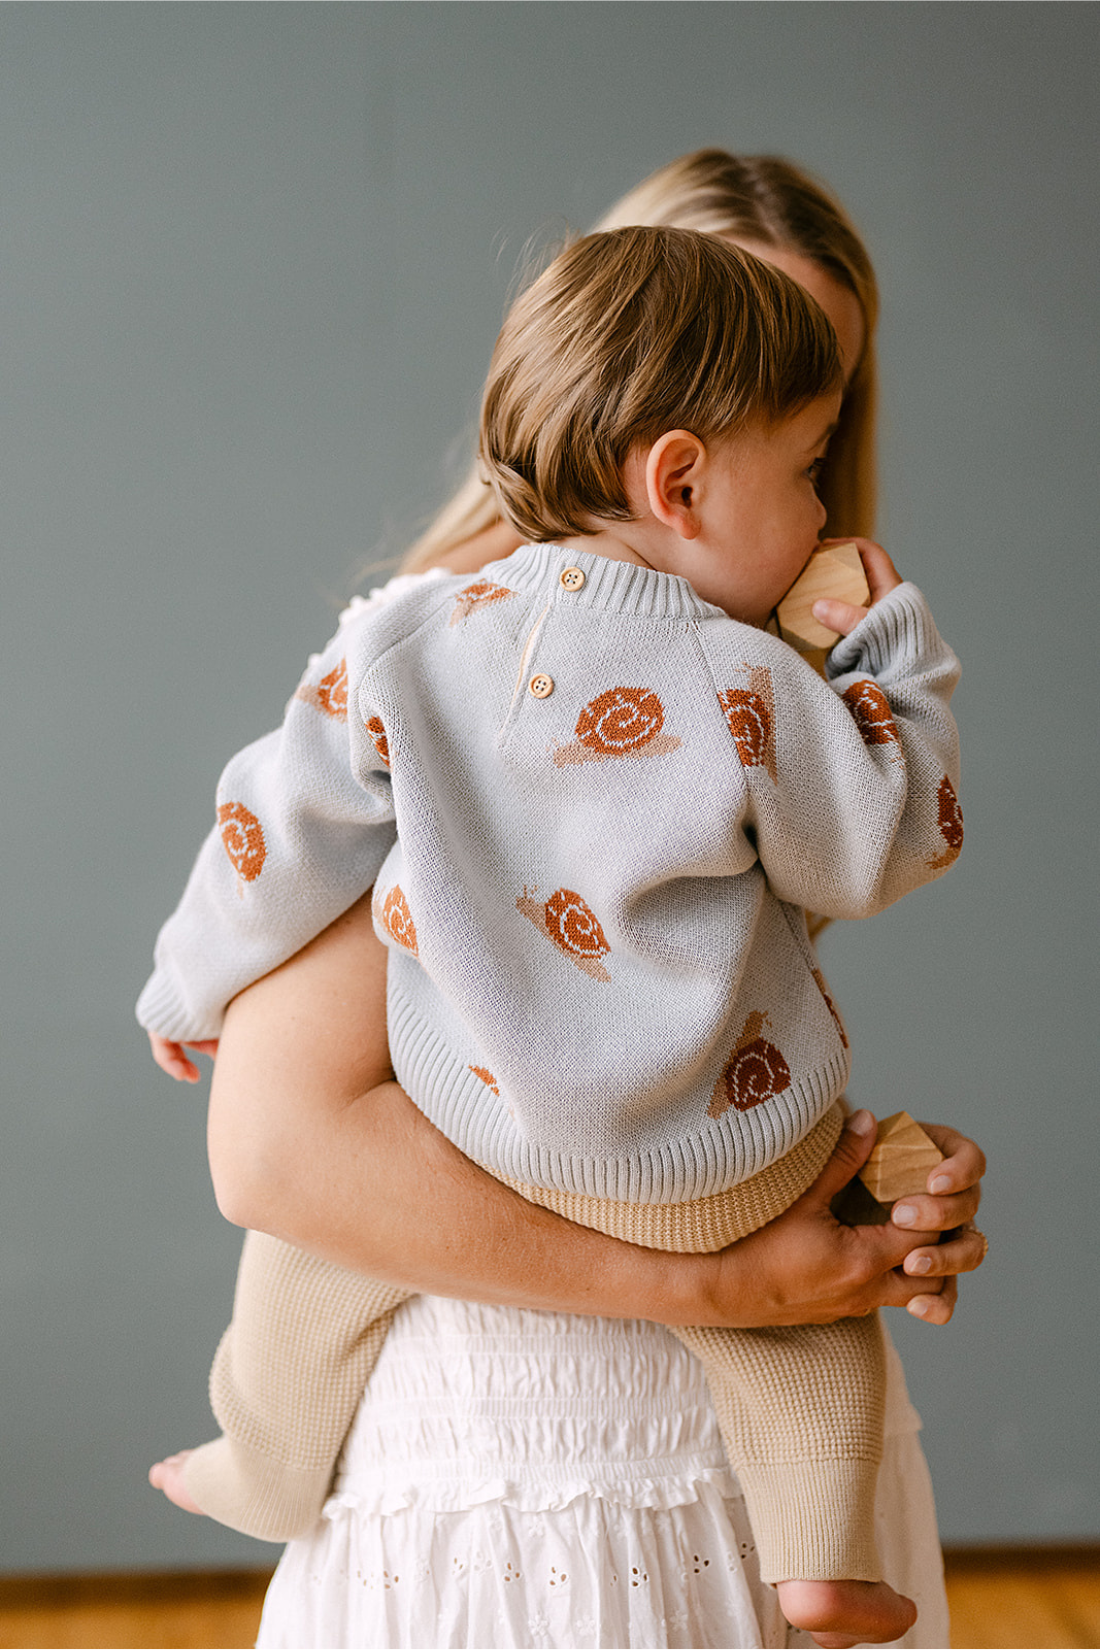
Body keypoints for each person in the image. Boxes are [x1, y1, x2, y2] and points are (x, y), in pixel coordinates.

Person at [149, 151, 988, 1649]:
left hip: (628, 1281)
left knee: (295, 1291)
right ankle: (826, 1558)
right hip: (533, 1458)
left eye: (824, 422)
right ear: (672, 463)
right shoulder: (743, 684)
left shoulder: (422, 658)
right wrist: (899, 669)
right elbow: (276, 1148)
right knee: (816, 1352)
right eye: (783, 439)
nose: (810, 480)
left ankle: (258, 1449)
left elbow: (258, 827)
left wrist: (182, 981)